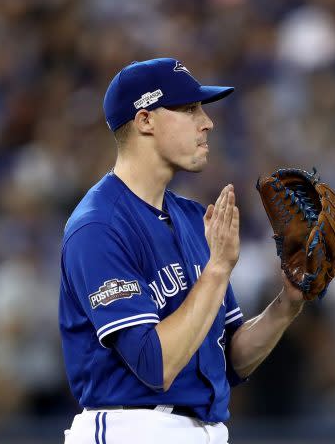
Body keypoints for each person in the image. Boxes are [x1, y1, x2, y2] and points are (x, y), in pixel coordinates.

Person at [59, 58, 306, 444]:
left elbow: (227, 360)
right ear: (145, 121)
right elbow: (156, 366)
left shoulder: (192, 219)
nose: (207, 122)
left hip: (204, 430)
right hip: (134, 430)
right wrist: (218, 269)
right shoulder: (99, 226)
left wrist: (286, 305)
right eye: (189, 109)